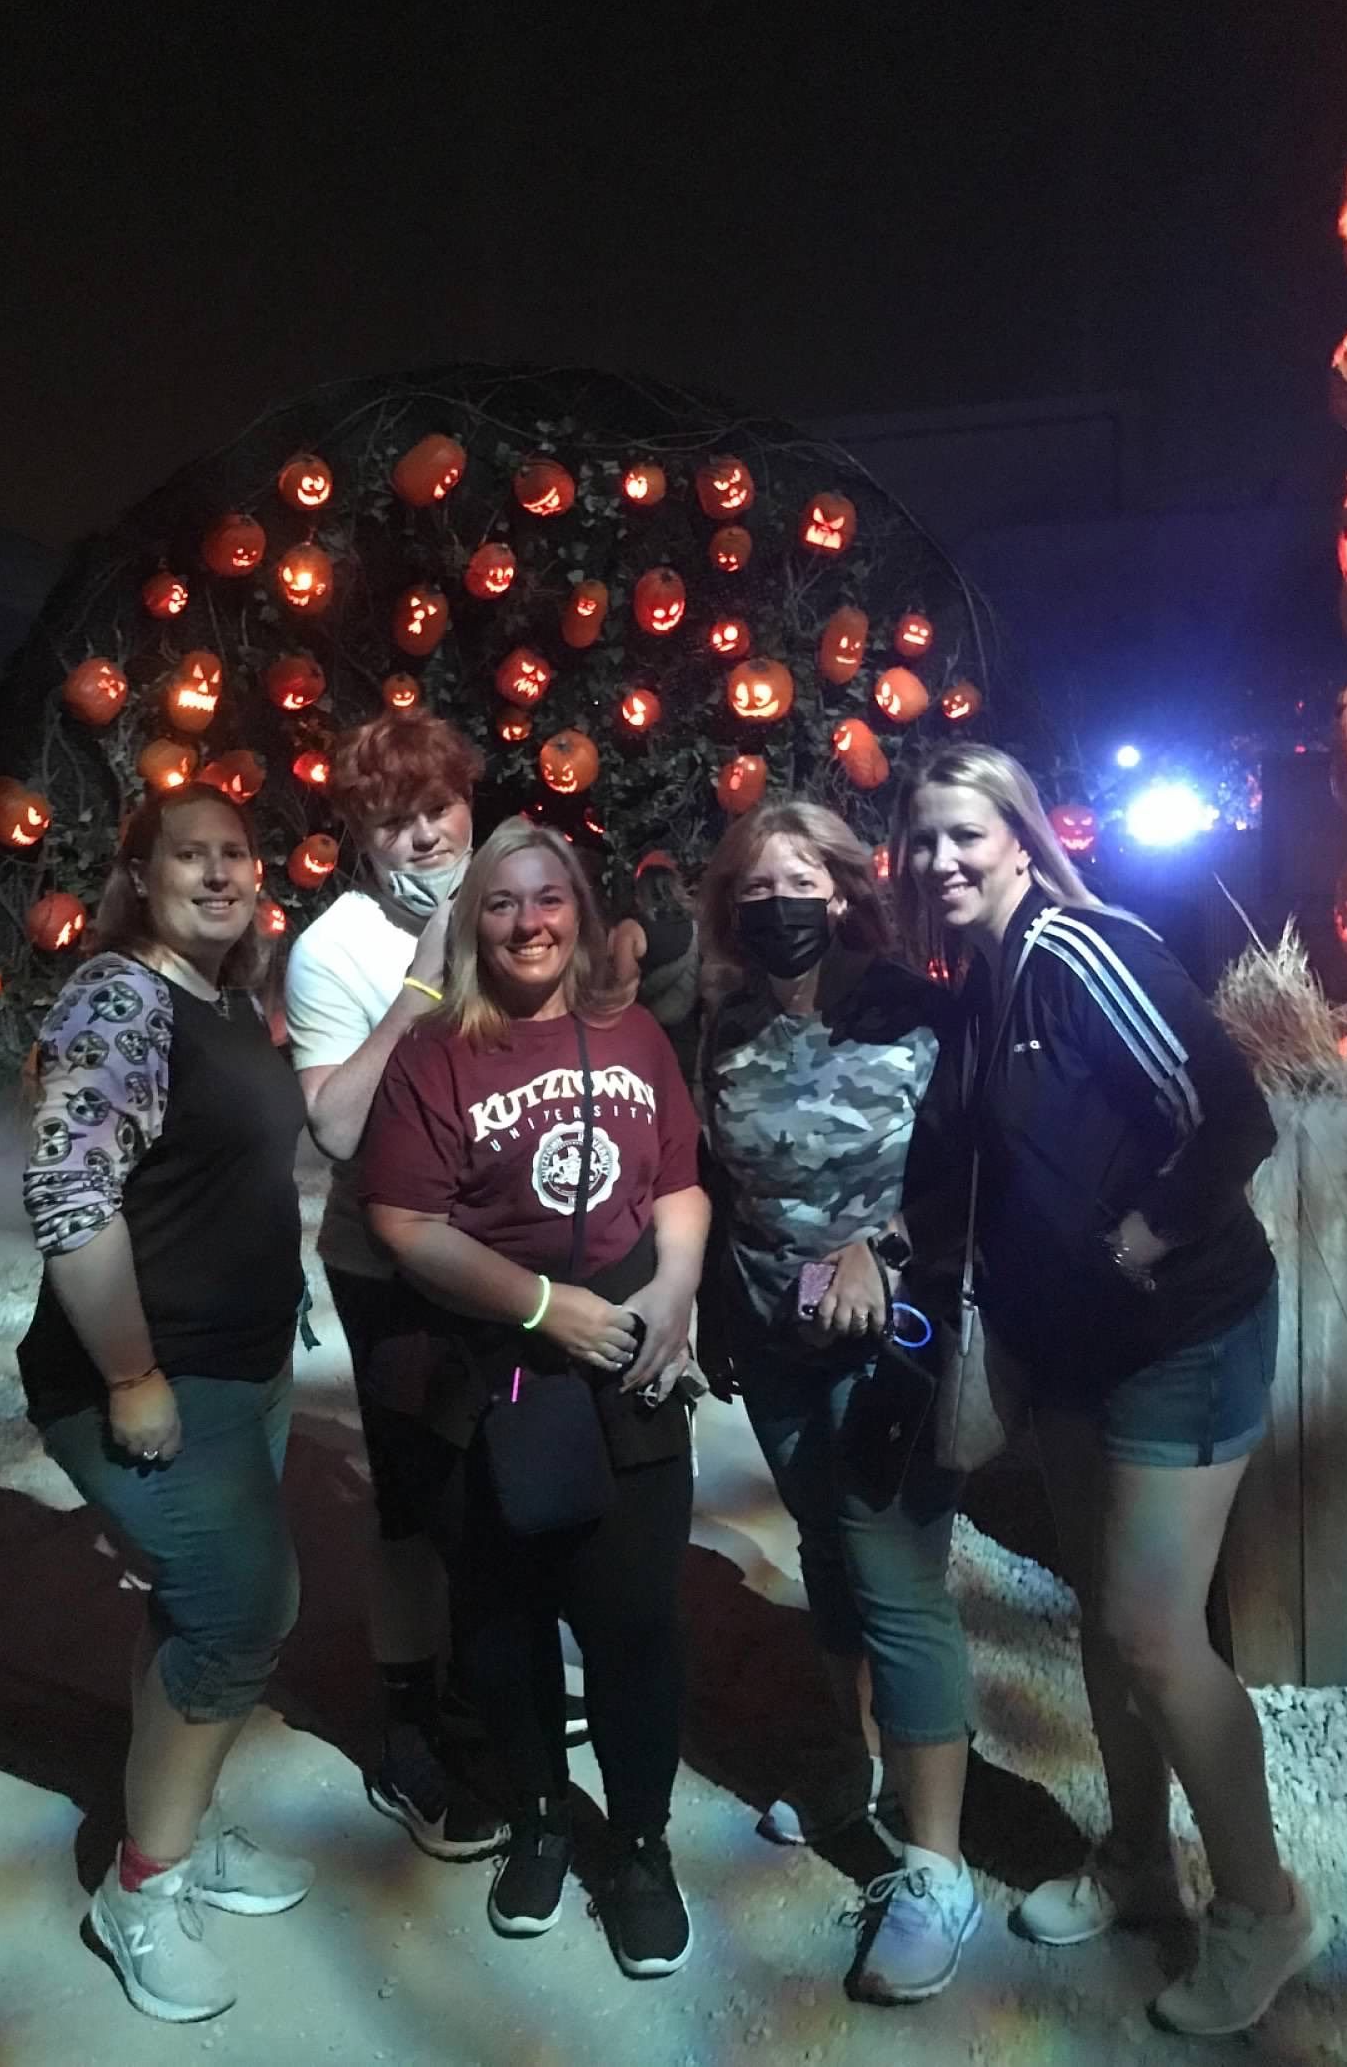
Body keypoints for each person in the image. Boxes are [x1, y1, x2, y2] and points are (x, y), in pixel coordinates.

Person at [895, 742, 1330, 2038]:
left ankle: (1261, 1904)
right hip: (1066, 1347)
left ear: (1023, 838)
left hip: (1176, 1336)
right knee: (1105, 1613)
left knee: (1151, 1629)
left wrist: (1142, 1237)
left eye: (966, 834)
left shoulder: (1087, 952)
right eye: (922, 841)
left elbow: (1231, 1115)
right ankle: (1138, 1855)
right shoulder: (978, 980)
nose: (942, 860)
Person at [362, 818, 710, 1978]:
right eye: (501, 903)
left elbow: (679, 1181)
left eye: (547, 897)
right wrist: (536, 1306)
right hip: (492, 1367)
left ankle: (644, 1846)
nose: (527, 922)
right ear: (472, 922)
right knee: (502, 1625)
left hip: (628, 1355)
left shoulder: (633, 1035)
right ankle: (542, 1821)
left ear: (579, 909)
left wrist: (676, 1289)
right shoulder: (435, 1055)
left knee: (632, 1629)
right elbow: (402, 1224)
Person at [18, 785, 313, 2024]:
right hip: (155, 1379)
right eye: (186, 855)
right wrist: (133, 1376)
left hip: (241, 1367)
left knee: (195, 1614)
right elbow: (70, 1196)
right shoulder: (120, 997)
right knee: (245, 1614)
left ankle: (173, 1826)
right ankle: (141, 1889)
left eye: (235, 854)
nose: (218, 873)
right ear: (137, 875)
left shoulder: (226, 1002)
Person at [695, 799, 977, 2005]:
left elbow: (975, 1170)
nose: (779, 903)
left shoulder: (913, 1008)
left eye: (802, 878)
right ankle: (841, 1764)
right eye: (756, 886)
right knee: (824, 1549)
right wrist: (713, 1316)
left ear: (847, 888)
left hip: (889, 1342)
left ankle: (935, 1867)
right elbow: (712, 1181)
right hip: (773, 1338)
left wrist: (890, 1247)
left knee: (897, 1577)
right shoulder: (721, 1025)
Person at [283, 707, 508, 1862]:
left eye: (436, 809)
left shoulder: (517, 902)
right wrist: (420, 985)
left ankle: (495, 1682)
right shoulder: (336, 949)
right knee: (415, 1506)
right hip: (391, 1267)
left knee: (507, 1481)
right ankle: (412, 1724)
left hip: (508, 1260)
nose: (424, 837)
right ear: (358, 838)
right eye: (393, 820)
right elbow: (331, 1125)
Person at [608, 854, 702, 1085]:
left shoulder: (632, 930)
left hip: (644, 1034)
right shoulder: (695, 927)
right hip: (686, 1034)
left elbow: (623, 985)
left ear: (641, 891)